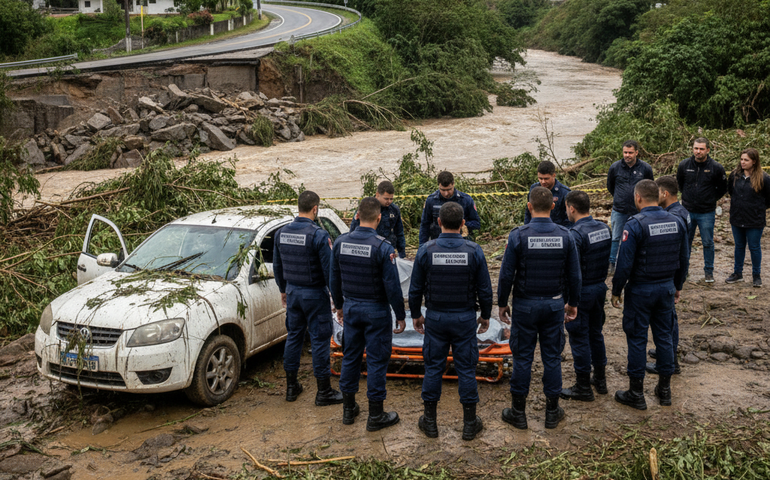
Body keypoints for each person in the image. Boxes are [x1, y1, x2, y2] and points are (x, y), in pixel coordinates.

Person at [498, 186, 581, 430]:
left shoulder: (518, 235)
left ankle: (518, 413)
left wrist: (502, 303)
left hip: (525, 306)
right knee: (552, 358)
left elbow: (506, 275)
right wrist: (573, 304)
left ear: (529, 206)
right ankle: (552, 413)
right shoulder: (566, 236)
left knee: (522, 358)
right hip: (554, 304)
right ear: (554, 207)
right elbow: (574, 275)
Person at [409, 202, 493, 441]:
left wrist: (416, 315)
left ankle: (430, 422)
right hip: (464, 318)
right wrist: (485, 315)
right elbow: (485, 289)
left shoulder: (426, 250)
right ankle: (469, 424)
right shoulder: (474, 251)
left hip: (435, 318)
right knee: (466, 368)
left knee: (433, 368)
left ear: (438, 222)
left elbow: (415, 290)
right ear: (463, 224)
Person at [329, 197, 407, 431]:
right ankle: (375, 415)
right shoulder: (383, 247)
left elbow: (334, 279)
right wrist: (401, 315)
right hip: (376, 311)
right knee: (376, 360)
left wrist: (340, 306)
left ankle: (349, 410)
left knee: (351, 357)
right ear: (379, 217)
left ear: (355, 216)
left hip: (352, 308)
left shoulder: (341, 243)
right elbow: (392, 286)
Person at [611, 180, 689, 410]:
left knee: (637, 339)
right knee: (664, 337)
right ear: (658, 196)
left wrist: (616, 290)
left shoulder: (634, 224)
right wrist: (678, 285)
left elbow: (623, 264)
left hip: (641, 290)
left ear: (638, 198)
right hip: (665, 288)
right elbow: (683, 258)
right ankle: (664, 391)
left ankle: (636, 393)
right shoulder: (676, 221)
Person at [273, 190, 343, 407]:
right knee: (320, 339)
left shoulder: (280, 233)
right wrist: (337, 302)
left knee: (294, 337)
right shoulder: (319, 235)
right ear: (315, 209)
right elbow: (330, 271)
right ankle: (323, 392)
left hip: (293, 293)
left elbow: (278, 265)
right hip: (314, 295)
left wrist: (283, 289)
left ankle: (291, 387)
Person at [560, 191, 611, 403]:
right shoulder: (604, 228)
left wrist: (569, 301)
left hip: (582, 292)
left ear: (571, 208)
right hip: (600, 288)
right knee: (596, 334)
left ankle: (582, 386)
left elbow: (572, 272)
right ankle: (600, 380)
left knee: (579, 338)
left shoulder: (575, 235)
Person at [646, 175, 691, 376]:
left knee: (668, 319)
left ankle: (670, 361)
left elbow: (682, 252)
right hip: (673, 272)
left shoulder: (675, 216)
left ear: (664, 193)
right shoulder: (679, 211)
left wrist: (678, 282)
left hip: (669, 273)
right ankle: (666, 352)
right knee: (668, 318)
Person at [676, 137, 728, 283]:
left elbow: (723, 188)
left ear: (708, 150)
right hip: (687, 211)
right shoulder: (684, 165)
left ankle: (709, 272)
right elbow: (680, 184)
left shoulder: (716, 167)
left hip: (707, 212)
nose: (698, 152)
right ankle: (683, 271)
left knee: (708, 242)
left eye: (701, 149)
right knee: (686, 241)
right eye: (695, 148)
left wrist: (710, 199)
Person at [606, 140, 654, 275]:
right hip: (619, 210)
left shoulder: (645, 168)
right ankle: (612, 263)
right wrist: (620, 198)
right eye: (625, 152)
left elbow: (650, 187)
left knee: (640, 237)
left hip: (638, 211)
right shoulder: (615, 167)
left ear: (637, 153)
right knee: (616, 237)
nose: (627, 155)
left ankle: (637, 262)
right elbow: (611, 186)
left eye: (630, 152)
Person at [725, 148, 770, 288]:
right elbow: (731, 192)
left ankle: (756, 275)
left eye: (746, 160)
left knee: (754, 247)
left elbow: (769, 198)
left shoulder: (764, 178)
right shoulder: (734, 175)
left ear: (754, 162)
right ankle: (737, 273)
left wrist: (757, 208)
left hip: (755, 220)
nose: (743, 162)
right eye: (742, 159)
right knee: (739, 246)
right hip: (737, 217)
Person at [419, 171, 481, 245]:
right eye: (443, 190)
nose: (446, 193)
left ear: (453, 184)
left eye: (449, 189)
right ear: (438, 185)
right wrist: (422, 247)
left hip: (462, 244)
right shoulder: (431, 201)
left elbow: (477, 223)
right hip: (438, 244)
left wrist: (464, 226)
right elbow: (425, 225)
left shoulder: (466, 200)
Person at [350, 180, 406, 259]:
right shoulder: (366, 206)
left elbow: (399, 232)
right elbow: (353, 229)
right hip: (368, 249)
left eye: (391, 199)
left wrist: (402, 254)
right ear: (377, 195)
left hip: (387, 249)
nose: (389, 201)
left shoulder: (394, 210)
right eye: (386, 198)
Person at [524, 160, 572, 227]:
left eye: (546, 179)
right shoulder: (534, 189)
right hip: (536, 229)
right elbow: (528, 212)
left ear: (554, 175)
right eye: (540, 178)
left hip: (557, 231)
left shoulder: (564, 193)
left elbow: (569, 219)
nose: (543, 182)